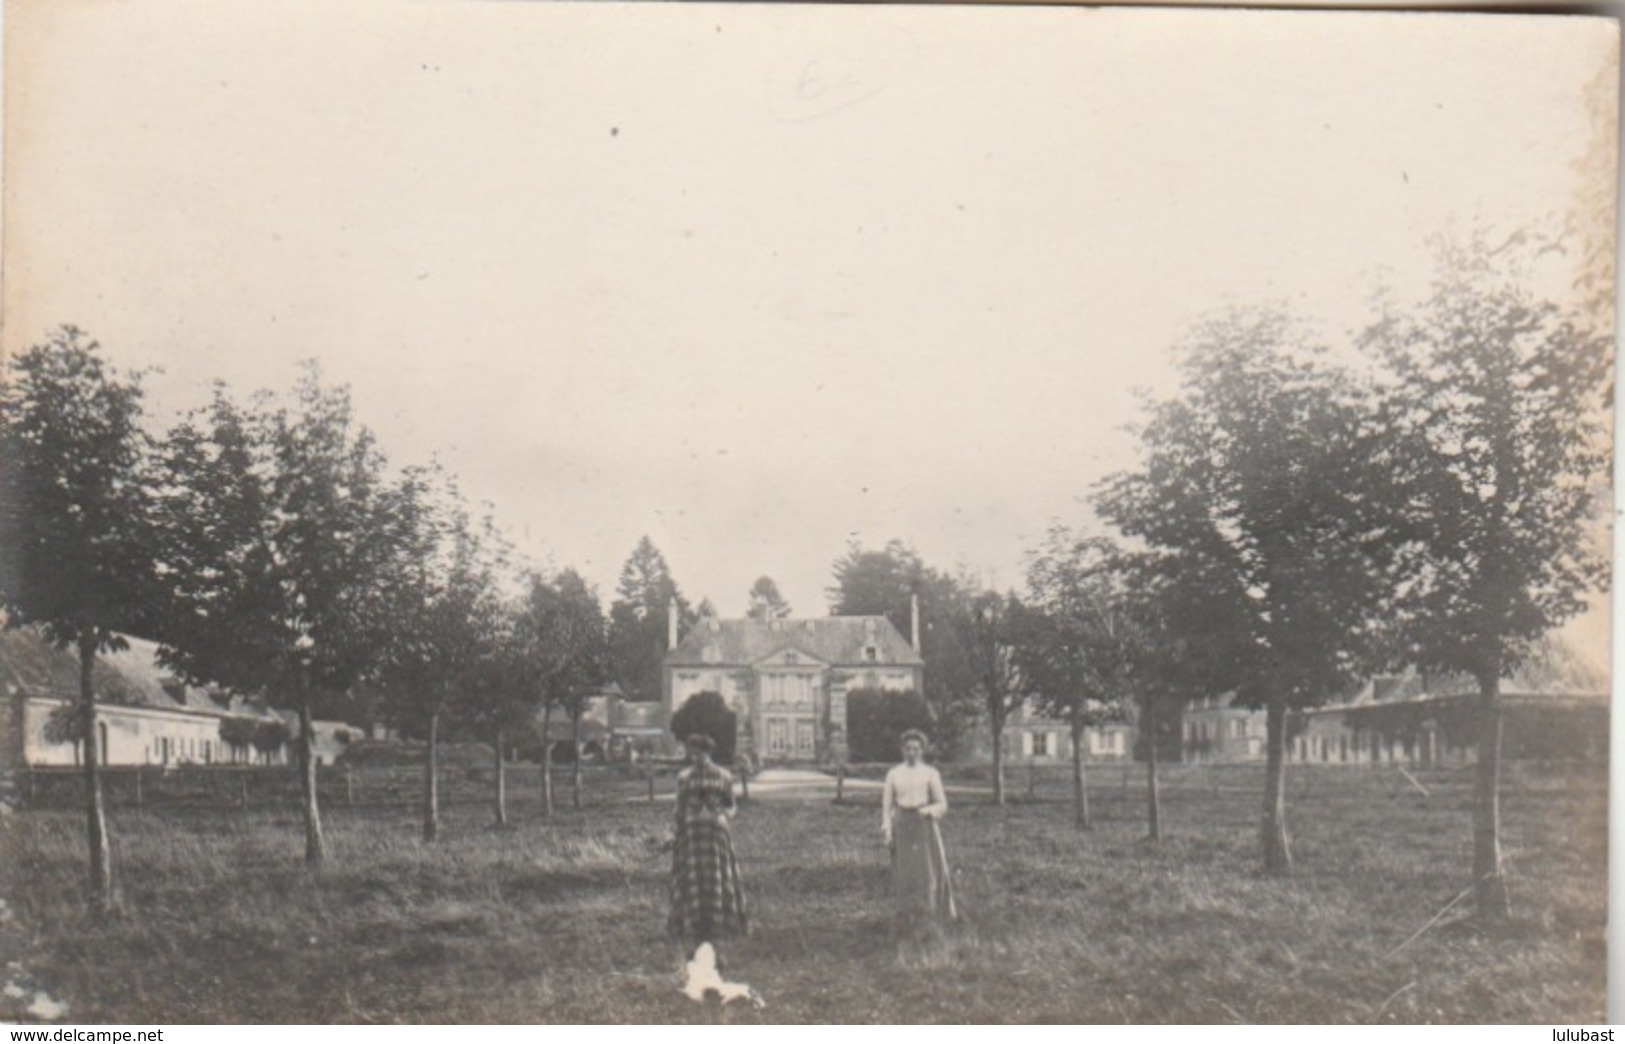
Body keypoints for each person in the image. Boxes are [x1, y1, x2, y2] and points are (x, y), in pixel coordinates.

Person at [668, 733, 749, 950]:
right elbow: (679, 806)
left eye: (700, 752)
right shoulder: (685, 777)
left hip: (712, 831)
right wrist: (682, 823)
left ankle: (715, 923)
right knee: (697, 874)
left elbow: (731, 805)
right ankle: (695, 923)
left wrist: (722, 816)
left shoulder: (722, 776)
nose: (696, 757)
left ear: (708, 752)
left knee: (715, 874)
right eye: (693, 752)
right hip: (694, 833)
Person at [881, 729, 957, 923]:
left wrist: (928, 811)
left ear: (922, 750)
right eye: (908, 748)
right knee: (905, 871)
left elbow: (942, 804)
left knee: (928, 868)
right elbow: (887, 805)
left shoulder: (930, 773)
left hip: (924, 824)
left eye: (916, 748)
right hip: (902, 824)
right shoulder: (894, 773)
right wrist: (888, 829)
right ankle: (907, 914)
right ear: (902, 750)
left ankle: (931, 912)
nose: (912, 752)